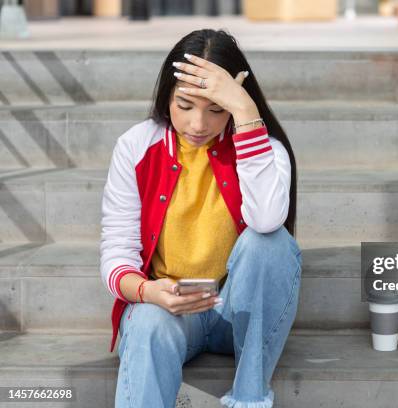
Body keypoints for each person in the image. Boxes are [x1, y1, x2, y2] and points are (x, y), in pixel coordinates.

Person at [99, 28, 301, 408]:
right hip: (172, 310)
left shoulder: (263, 147)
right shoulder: (136, 146)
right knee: (145, 322)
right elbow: (117, 251)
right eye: (185, 105)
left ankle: (249, 396)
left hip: (239, 311)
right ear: (166, 97)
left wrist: (244, 112)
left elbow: (267, 220)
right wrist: (147, 292)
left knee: (268, 241)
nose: (197, 125)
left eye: (216, 109)